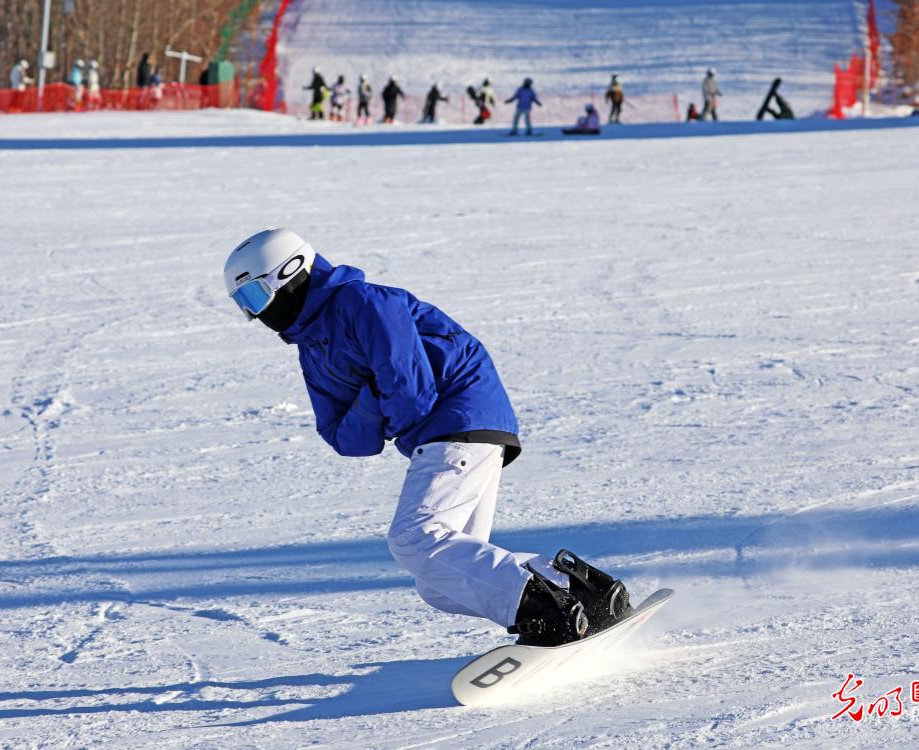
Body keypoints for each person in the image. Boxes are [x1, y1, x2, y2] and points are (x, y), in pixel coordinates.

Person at [222, 228, 633, 646]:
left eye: (255, 297)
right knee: (439, 582)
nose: (257, 315)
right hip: (445, 435)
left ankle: (548, 610)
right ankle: (584, 593)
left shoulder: (362, 302)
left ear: (290, 273)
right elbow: (345, 438)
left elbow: (413, 393)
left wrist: (376, 399)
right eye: (244, 306)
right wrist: (374, 392)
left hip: (460, 417)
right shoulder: (312, 349)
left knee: (416, 538)